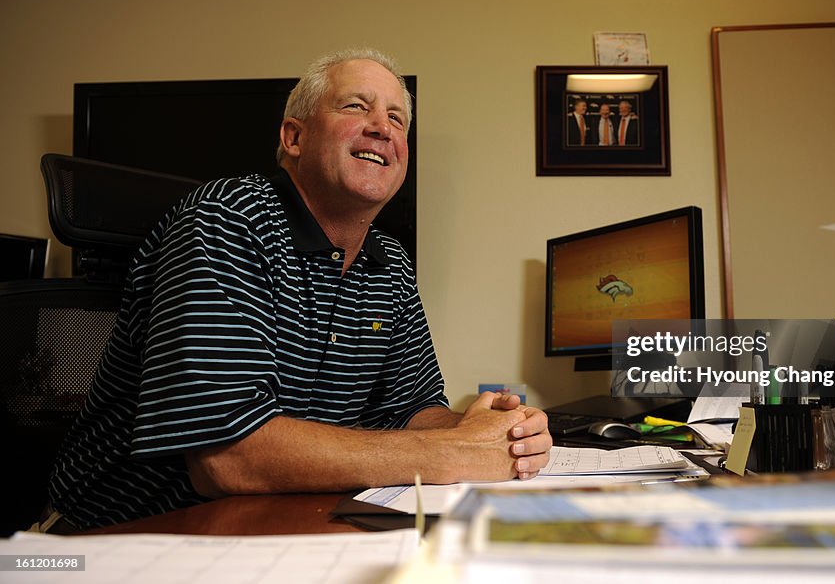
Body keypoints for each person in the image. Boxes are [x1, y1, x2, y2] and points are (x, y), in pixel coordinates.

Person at [40, 49, 551, 532]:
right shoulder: (228, 220)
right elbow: (227, 457)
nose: (382, 127)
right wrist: (455, 453)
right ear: (294, 137)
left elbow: (411, 409)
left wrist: (490, 429)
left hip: (281, 523)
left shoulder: (389, 261)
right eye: (357, 106)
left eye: (397, 119)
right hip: (127, 536)